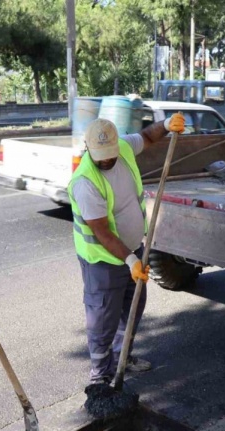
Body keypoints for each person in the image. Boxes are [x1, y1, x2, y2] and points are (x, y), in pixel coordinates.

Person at [68, 113, 185, 385]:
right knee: (102, 318)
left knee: (132, 308)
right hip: (103, 261)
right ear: (88, 149)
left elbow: (146, 137)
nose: (107, 159)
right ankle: (100, 375)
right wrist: (131, 260)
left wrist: (166, 126)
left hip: (134, 250)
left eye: (111, 153)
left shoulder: (121, 146)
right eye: (102, 156)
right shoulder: (85, 182)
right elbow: (102, 232)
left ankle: (123, 358)